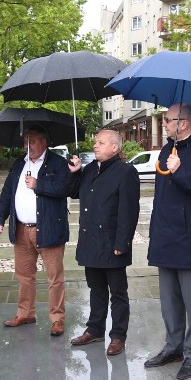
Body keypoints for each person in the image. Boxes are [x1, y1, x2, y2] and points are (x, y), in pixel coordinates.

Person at [144, 103, 191, 380]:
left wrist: (181, 172)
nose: (163, 124)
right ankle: (173, 347)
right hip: (165, 237)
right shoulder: (167, 150)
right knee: (169, 301)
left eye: (167, 120)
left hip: (189, 240)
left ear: (184, 122)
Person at [66, 130, 140, 356]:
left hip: (111, 243)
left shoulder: (126, 172)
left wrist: (122, 243)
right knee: (96, 289)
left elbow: (129, 211)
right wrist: (74, 173)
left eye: (100, 142)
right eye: (95, 142)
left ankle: (118, 336)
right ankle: (95, 329)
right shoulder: (89, 169)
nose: (95, 146)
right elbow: (72, 191)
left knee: (117, 292)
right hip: (91, 242)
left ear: (115, 148)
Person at [0, 125, 70, 336]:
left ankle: (57, 318)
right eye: (25, 141)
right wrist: (0, 218)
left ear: (44, 142)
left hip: (48, 228)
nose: (28, 146)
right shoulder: (20, 163)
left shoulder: (57, 163)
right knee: (24, 276)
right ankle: (25, 313)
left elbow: (65, 189)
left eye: (32, 141)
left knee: (54, 277)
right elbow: (8, 192)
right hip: (21, 229)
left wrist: (39, 184)